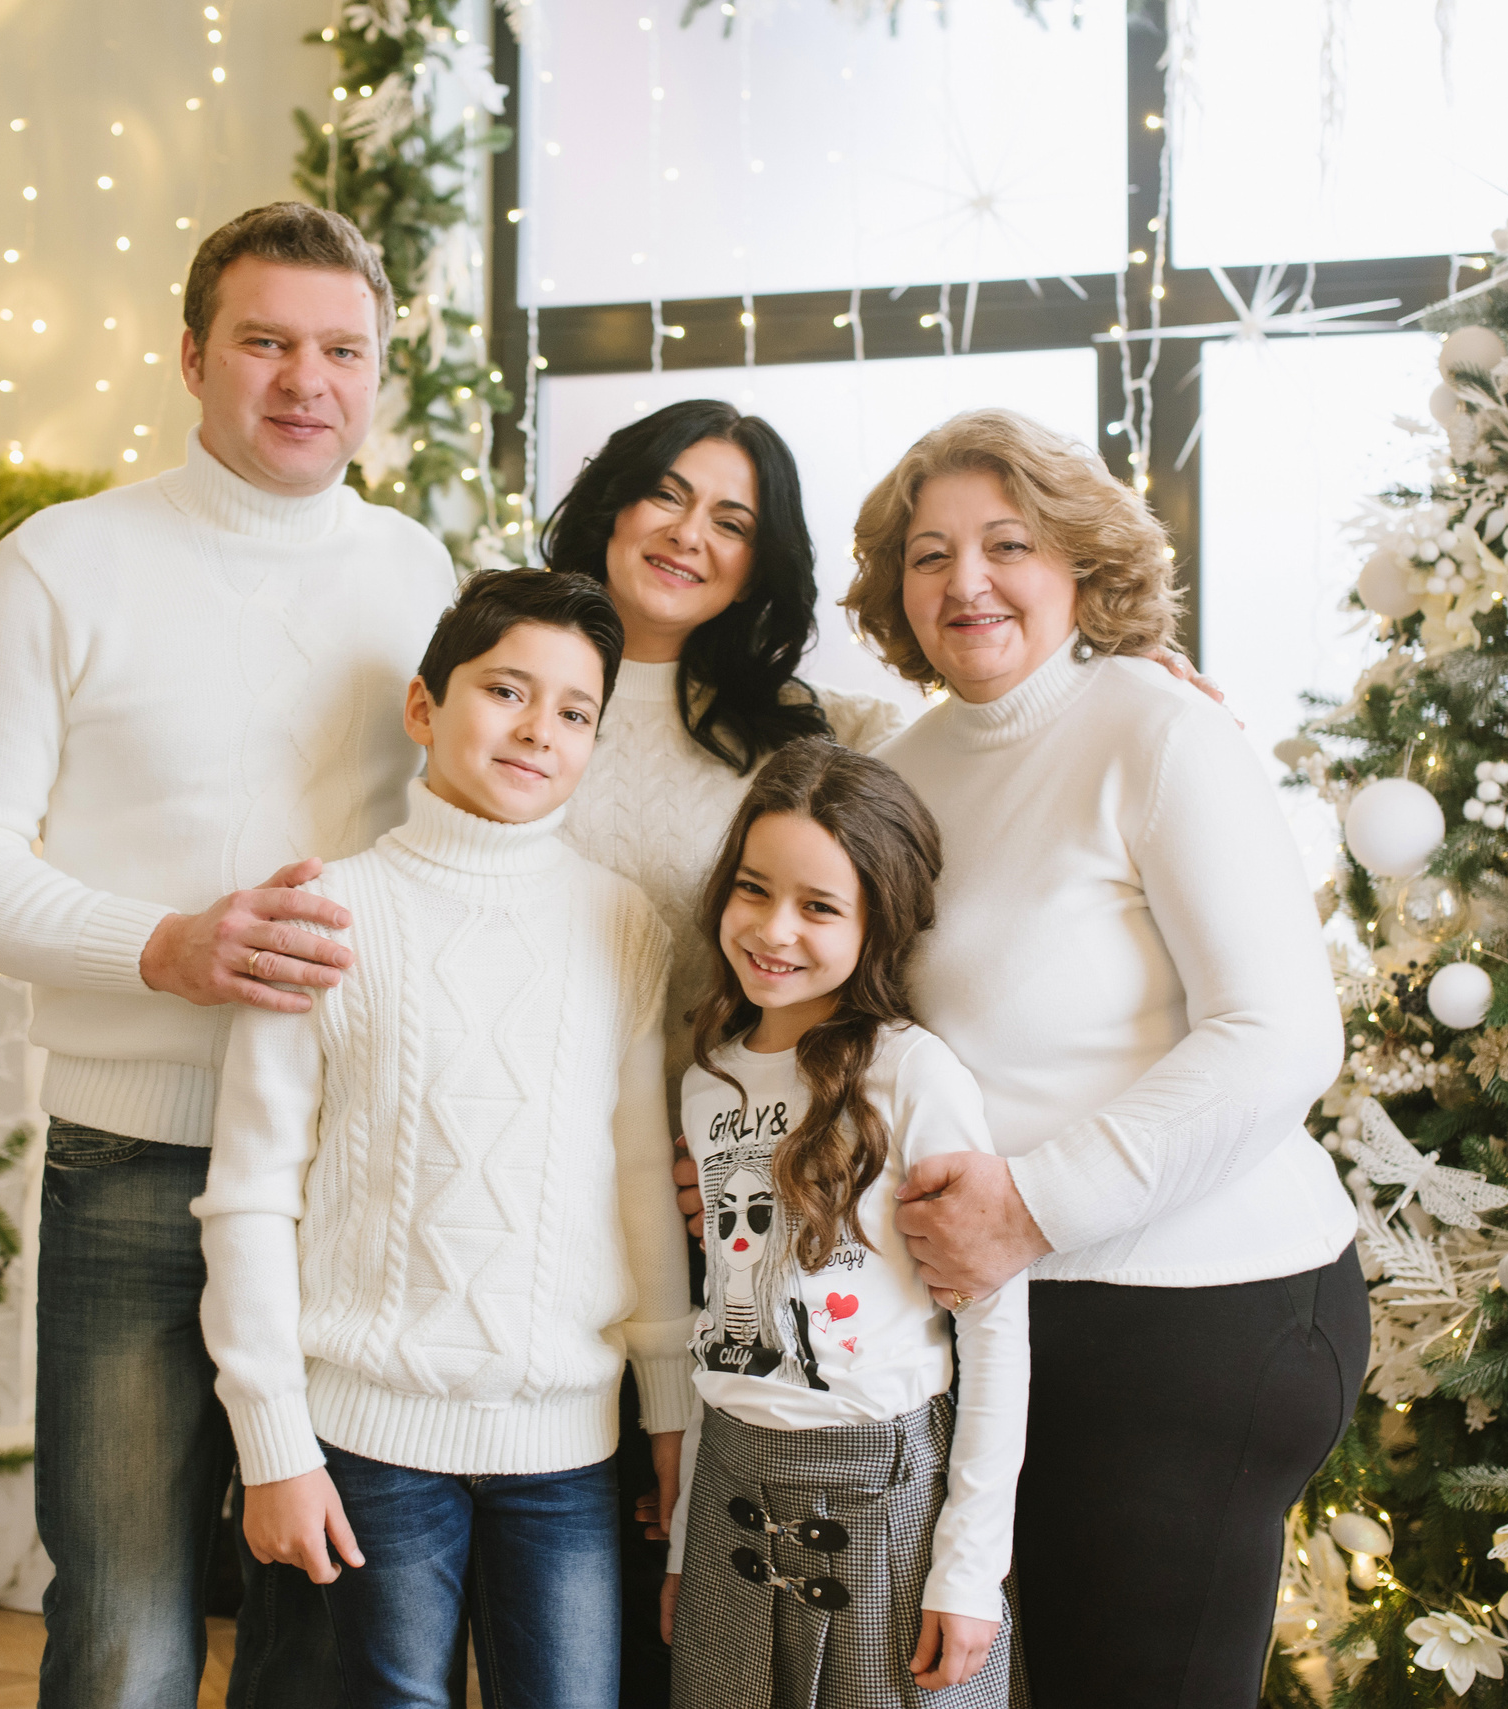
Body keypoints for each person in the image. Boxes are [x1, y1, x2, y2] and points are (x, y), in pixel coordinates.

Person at [0, 201, 454, 1709]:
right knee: (132, 1620)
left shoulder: (418, 570)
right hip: (134, 1163)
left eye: (343, 349)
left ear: (379, 372)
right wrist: (164, 947)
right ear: (192, 355)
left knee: (327, 1623)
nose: (305, 381)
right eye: (266, 342)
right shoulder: (66, 561)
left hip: (352, 1177)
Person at [847, 409, 1365, 1706]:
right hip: (1008, 1319)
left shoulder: (1157, 729)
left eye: (1007, 543)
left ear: (1080, 563)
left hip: (1197, 1316)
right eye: (928, 553)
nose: (965, 581)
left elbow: (1283, 1031)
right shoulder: (897, 771)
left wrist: (1032, 1204)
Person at [196, 569, 699, 1709]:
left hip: (567, 1445)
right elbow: (252, 1193)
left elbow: (634, 1177)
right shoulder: (326, 910)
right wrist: (273, 1441)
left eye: (574, 712)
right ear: (425, 708)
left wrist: (667, 1409)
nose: (538, 729)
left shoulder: (621, 922)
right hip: (366, 1441)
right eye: (506, 690)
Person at [537, 402, 904, 1700]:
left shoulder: (797, 730)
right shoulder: (522, 675)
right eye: (667, 495)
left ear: (764, 560)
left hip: (704, 1202)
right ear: (611, 502)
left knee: (680, 1564)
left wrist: (1118, 677)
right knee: (546, 1572)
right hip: (522, 1183)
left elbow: (973, 740)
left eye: (733, 521)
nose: (690, 535)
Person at [660, 738, 1026, 1709]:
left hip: (885, 1492)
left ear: (880, 919)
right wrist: (691, 1521)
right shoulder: (708, 1078)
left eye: (819, 905)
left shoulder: (911, 1072)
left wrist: (969, 1567)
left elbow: (994, 1327)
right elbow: (724, 1319)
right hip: (730, 1495)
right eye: (753, 888)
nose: (774, 929)